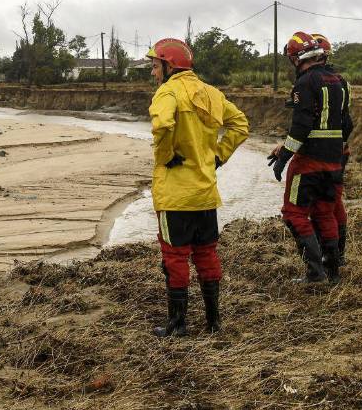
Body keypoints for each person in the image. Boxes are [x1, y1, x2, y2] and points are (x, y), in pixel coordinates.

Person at [147, 38, 249, 337]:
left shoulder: (167, 92)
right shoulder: (212, 93)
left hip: (175, 196)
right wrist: (218, 155)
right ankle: (214, 322)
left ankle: (177, 325)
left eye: (155, 66)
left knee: (175, 257)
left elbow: (162, 126)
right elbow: (241, 125)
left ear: (168, 65)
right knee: (206, 254)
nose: (153, 73)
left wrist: (165, 156)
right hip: (205, 192)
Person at [268, 31, 349, 284]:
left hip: (309, 161)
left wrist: (285, 156)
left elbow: (302, 125)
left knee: (293, 213)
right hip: (334, 159)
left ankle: (315, 273)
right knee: (325, 212)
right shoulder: (338, 82)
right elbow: (347, 123)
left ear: (295, 58)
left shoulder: (304, 82)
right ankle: (333, 271)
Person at [310, 33, 353, 266]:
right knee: (334, 201)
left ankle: (331, 257)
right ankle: (336, 255)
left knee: (325, 204)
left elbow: (341, 120)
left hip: (328, 150)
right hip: (338, 148)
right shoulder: (340, 81)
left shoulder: (327, 82)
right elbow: (347, 121)